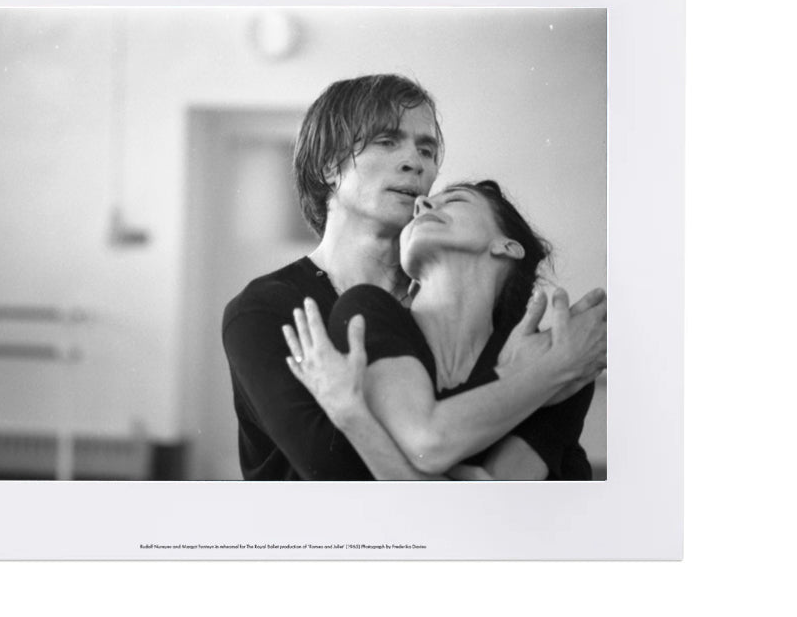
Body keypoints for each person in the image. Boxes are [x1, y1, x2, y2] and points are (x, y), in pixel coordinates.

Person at [222, 74, 605, 480]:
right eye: (387, 142)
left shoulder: (477, 313)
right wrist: (531, 382)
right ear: (329, 166)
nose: (415, 162)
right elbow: (339, 473)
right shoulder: (267, 309)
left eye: (427, 149)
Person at [284, 180, 604, 479]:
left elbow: (484, 508)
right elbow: (428, 443)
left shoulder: (560, 353)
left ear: (507, 246)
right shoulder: (366, 309)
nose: (421, 203)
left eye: (454, 200)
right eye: (421, 207)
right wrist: (554, 369)